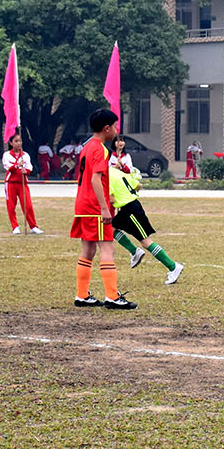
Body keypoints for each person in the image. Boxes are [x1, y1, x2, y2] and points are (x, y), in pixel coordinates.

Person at [71, 109, 135, 310]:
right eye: (115, 126)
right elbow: (95, 179)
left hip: (83, 205)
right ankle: (112, 297)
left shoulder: (87, 146)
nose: (116, 130)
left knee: (88, 249)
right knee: (108, 248)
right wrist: (104, 208)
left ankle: (82, 295)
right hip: (94, 207)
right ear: (107, 128)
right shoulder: (99, 148)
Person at [111, 158, 184, 285]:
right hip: (130, 207)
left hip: (130, 210)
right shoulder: (115, 172)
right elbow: (138, 185)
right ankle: (134, 251)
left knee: (145, 241)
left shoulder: (105, 177)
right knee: (110, 228)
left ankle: (173, 267)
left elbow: (111, 200)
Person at [2, 132, 41, 234]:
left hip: (22, 183)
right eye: (16, 141)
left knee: (27, 205)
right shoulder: (7, 155)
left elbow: (29, 168)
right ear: (11, 143)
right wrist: (17, 165)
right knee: (11, 205)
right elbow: (8, 167)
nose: (18, 143)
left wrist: (26, 171)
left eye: (20, 141)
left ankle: (33, 226)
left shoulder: (25, 155)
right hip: (10, 183)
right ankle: (15, 226)